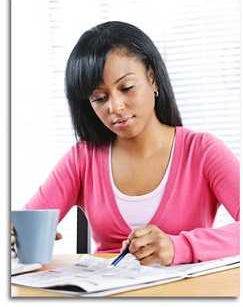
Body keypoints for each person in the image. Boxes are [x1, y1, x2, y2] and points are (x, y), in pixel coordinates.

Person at [12, 21, 239, 266]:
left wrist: (178, 246)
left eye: (127, 87)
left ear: (151, 78)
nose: (115, 107)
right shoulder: (83, 158)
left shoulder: (203, 151)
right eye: (99, 98)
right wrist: (16, 239)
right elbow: (24, 225)